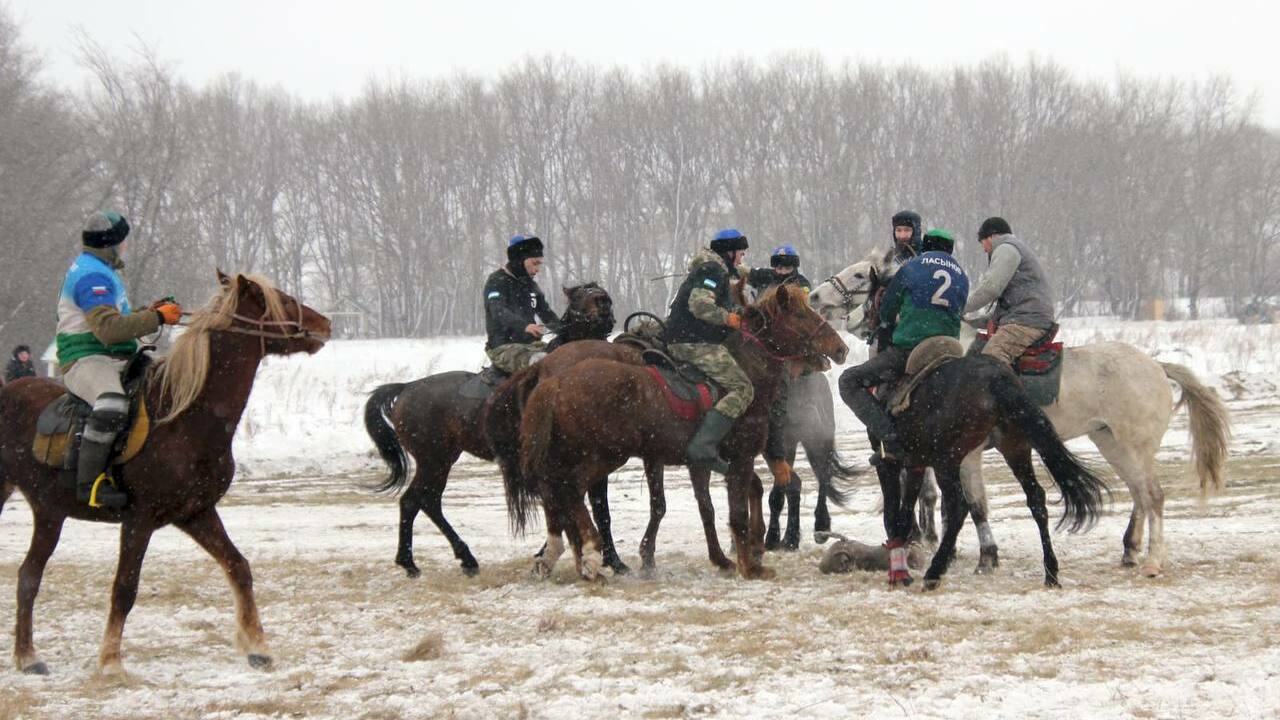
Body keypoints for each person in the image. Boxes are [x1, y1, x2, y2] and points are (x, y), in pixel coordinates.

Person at [57, 211, 182, 508]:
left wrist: (150, 311)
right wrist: (155, 317)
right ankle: (89, 485)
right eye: (123, 240)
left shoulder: (101, 269)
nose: (126, 245)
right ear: (111, 244)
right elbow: (108, 330)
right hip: (86, 359)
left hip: (111, 357)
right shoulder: (92, 276)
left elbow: (118, 319)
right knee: (112, 403)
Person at [838, 228, 969, 461]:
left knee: (848, 381)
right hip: (950, 347)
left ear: (925, 245)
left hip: (912, 348)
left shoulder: (912, 267)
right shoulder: (962, 275)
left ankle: (890, 441)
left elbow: (887, 310)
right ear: (950, 250)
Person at [663, 228, 755, 472]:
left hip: (687, 338)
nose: (743, 257)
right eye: (741, 252)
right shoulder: (712, 270)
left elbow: (742, 272)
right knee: (743, 388)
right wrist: (729, 319)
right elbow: (700, 305)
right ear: (730, 252)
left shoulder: (713, 267)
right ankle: (703, 446)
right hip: (694, 343)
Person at [745, 245, 812, 470]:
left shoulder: (800, 284)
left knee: (787, 376)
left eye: (787, 266)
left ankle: (783, 423)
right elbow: (745, 273)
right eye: (779, 266)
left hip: (789, 340)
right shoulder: (765, 277)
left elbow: (800, 305)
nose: (782, 270)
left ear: (794, 266)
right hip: (762, 339)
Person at [963, 217, 1056, 366]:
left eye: (983, 242)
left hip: (1026, 322)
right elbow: (1003, 313)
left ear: (992, 236)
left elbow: (990, 288)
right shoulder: (1016, 248)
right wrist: (971, 323)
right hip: (1028, 318)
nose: (984, 249)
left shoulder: (1006, 248)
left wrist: (960, 307)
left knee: (991, 360)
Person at [483, 234, 562, 375]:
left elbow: (546, 313)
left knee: (565, 357)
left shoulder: (530, 285)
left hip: (533, 346)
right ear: (519, 260)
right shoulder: (497, 281)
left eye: (540, 264)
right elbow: (498, 310)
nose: (537, 269)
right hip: (503, 348)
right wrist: (524, 326)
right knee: (541, 364)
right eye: (535, 263)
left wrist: (565, 331)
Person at [746, 245, 811, 296]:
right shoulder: (766, 276)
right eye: (779, 268)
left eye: (787, 268)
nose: (783, 272)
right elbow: (745, 273)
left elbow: (804, 295)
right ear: (775, 267)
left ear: (794, 268)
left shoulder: (801, 282)